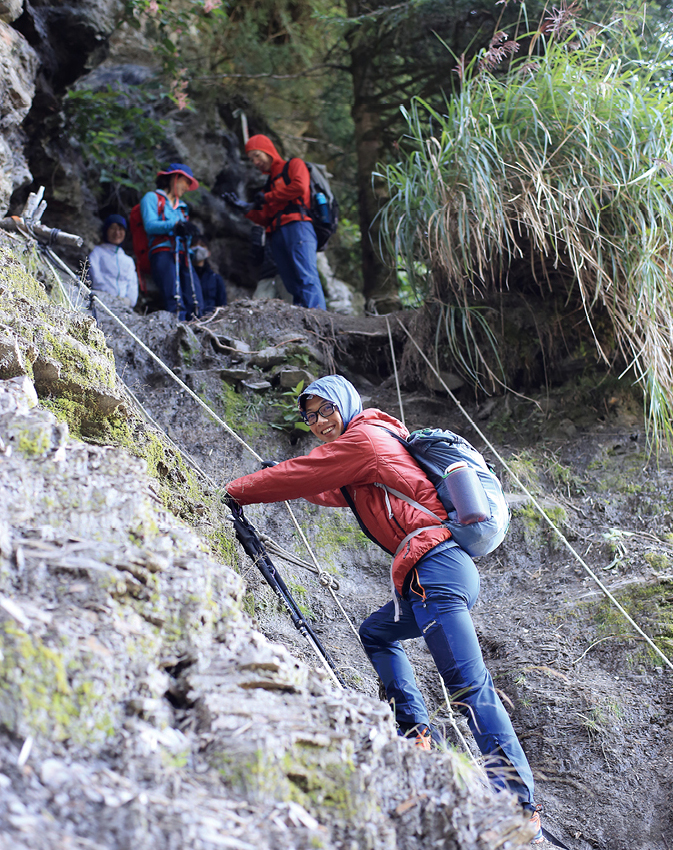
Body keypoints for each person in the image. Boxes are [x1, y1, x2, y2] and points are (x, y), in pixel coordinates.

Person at [224, 375, 544, 844]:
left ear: (347, 404)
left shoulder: (367, 439)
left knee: (468, 685)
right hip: (426, 578)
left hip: (438, 570)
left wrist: (234, 491)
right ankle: (415, 730)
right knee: (376, 632)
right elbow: (328, 487)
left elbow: (307, 474)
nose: (317, 423)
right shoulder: (367, 449)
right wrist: (277, 473)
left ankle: (519, 807)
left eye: (325, 410)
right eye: (309, 416)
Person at [223, 134, 326, 310]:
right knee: (291, 282)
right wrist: (246, 209)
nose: (255, 161)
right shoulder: (269, 184)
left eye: (257, 155)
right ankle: (305, 319)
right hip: (276, 234)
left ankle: (320, 319)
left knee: (306, 276)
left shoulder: (294, 165)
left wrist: (267, 197)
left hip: (298, 226)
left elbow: (300, 186)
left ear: (268, 150)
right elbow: (265, 218)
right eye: (251, 158)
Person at [140, 163, 203, 321]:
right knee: (175, 298)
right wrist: (175, 225)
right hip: (163, 253)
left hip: (183, 255)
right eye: (185, 182)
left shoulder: (182, 207)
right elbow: (150, 225)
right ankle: (179, 333)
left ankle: (197, 333)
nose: (187, 187)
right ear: (174, 178)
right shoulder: (152, 198)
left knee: (195, 298)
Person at [88, 214, 139, 307]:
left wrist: (129, 301)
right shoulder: (97, 252)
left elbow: (132, 285)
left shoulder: (128, 260)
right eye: (113, 228)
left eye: (120, 229)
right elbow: (95, 277)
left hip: (124, 306)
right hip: (101, 302)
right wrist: (110, 296)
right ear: (106, 230)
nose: (117, 233)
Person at [192, 236, 227, 314]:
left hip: (210, 319)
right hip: (190, 320)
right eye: (194, 245)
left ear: (208, 252)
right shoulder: (185, 276)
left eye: (202, 245)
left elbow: (222, 304)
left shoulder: (215, 278)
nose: (198, 248)